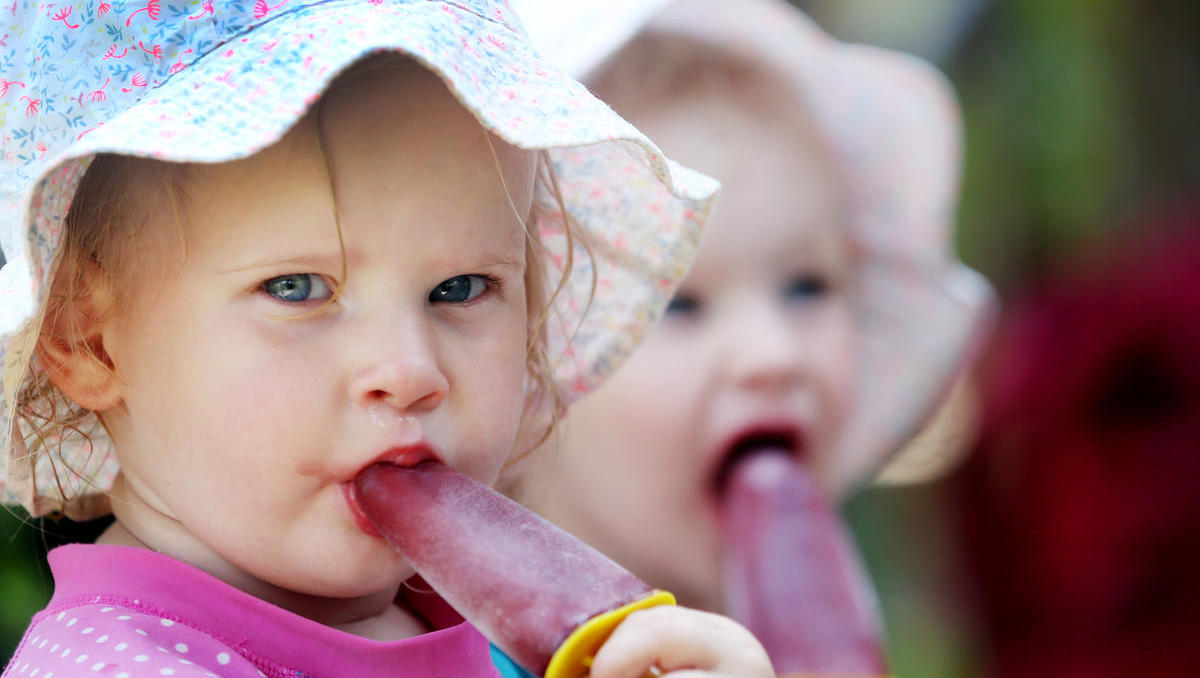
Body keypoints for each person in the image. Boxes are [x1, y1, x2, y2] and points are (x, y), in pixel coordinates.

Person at [0, 2, 773, 677]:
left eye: (460, 289)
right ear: (89, 340)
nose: (409, 371)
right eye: (297, 288)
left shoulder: (497, 633)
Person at [507, 0, 993, 670]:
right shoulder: (445, 654)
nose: (774, 353)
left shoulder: (846, 610)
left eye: (807, 287)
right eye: (679, 305)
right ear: (520, 381)